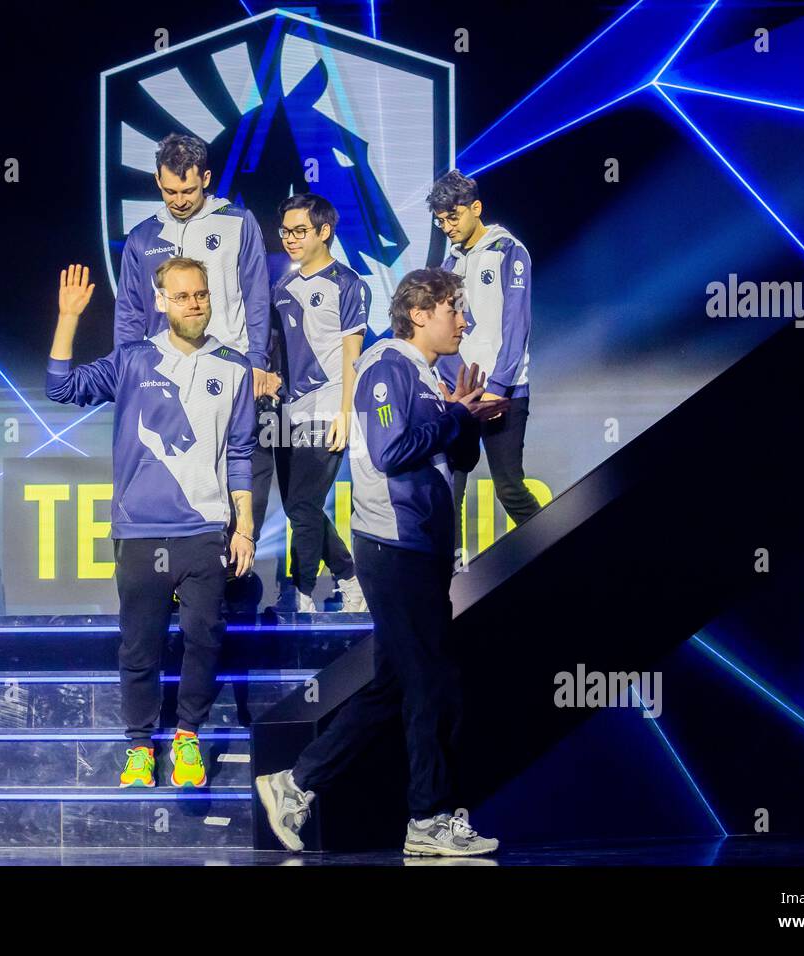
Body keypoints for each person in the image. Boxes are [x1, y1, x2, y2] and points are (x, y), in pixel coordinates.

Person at [255, 268, 507, 857]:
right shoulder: (385, 367)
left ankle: (295, 783)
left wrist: (462, 418)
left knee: (395, 683)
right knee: (433, 683)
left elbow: (456, 457)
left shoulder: (425, 374)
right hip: (393, 547)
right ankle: (429, 819)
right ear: (419, 312)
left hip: (422, 548)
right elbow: (393, 451)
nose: (463, 322)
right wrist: (454, 418)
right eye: (455, 310)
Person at [46, 259, 256, 789]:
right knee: (139, 645)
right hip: (140, 530)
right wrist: (68, 318)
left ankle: (188, 737)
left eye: (201, 294)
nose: (194, 303)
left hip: (205, 528)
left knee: (204, 636)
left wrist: (244, 527)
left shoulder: (234, 367)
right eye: (182, 295)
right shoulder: (133, 360)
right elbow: (60, 389)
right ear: (160, 301)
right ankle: (140, 746)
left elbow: (240, 452)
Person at [113, 132, 279, 602]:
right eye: (169, 191)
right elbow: (128, 310)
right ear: (158, 182)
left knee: (231, 474)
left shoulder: (237, 223)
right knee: (166, 474)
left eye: (189, 190)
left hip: (226, 375)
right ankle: (166, 585)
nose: (180, 201)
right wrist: (130, 371)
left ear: (205, 178)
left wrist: (257, 363)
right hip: (160, 378)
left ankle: (225, 582)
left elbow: (256, 297)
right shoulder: (143, 237)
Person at [427, 170, 540, 556]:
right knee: (450, 488)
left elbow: (516, 323)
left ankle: (555, 554)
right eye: (440, 221)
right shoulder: (447, 266)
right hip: (463, 397)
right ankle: (454, 576)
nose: (447, 226)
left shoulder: (510, 251)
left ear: (476, 208)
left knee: (509, 486)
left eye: (453, 217)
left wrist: (498, 387)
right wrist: (452, 385)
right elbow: (443, 332)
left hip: (504, 393)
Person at [269, 192, 369, 613]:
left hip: (328, 407)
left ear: (324, 231)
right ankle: (349, 576)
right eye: (285, 232)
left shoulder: (348, 284)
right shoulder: (282, 286)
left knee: (305, 504)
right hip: (285, 411)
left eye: (299, 231)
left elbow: (353, 356)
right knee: (298, 506)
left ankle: (302, 593)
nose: (290, 239)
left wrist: (346, 415)